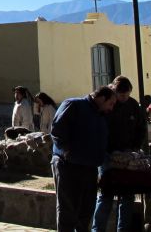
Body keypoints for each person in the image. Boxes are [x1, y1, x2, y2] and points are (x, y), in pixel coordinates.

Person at [51, 86, 116, 232]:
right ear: (101, 98)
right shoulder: (74, 105)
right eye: (110, 103)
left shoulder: (100, 115)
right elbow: (57, 130)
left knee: (86, 209)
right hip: (68, 165)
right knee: (67, 208)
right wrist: (67, 151)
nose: (111, 108)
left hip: (90, 167)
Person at [92, 76, 148, 232]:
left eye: (127, 94)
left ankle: (122, 229)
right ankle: (98, 229)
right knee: (106, 195)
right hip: (107, 155)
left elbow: (141, 127)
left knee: (127, 195)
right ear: (114, 92)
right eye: (121, 95)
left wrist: (135, 147)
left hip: (128, 154)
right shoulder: (106, 106)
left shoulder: (133, 105)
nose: (124, 98)